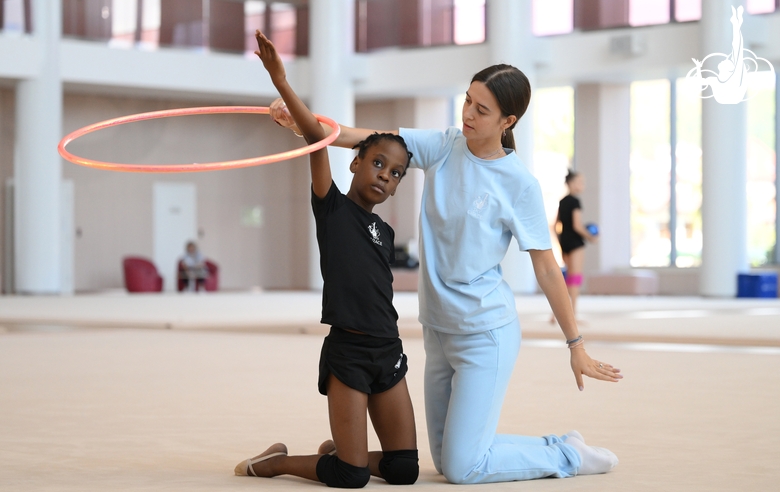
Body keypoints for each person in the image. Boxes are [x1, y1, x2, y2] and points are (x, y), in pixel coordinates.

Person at [269, 63, 623, 484]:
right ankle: (559, 444)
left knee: (462, 467)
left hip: (485, 331)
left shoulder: (519, 184)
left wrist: (575, 343)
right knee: (444, 458)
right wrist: (305, 127)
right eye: (468, 101)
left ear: (508, 122)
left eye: (482, 109)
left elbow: (546, 267)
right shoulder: (444, 145)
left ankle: (568, 455)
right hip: (438, 329)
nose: (468, 114)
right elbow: (365, 139)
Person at [234, 31, 419, 488]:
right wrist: (280, 80)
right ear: (355, 162)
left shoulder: (387, 231)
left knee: (404, 470)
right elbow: (316, 137)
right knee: (352, 477)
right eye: (378, 163)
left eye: (395, 174)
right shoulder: (331, 206)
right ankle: (274, 463)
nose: (385, 176)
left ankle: (340, 448)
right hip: (349, 352)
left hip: (388, 349)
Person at [554, 170, 597, 321]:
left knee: (568, 279)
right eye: (580, 182)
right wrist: (591, 237)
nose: (582, 185)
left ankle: (556, 314)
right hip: (575, 244)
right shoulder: (575, 201)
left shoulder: (562, 201)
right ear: (571, 183)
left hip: (565, 242)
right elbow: (577, 226)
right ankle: (573, 315)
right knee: (575, 278)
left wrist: (561, 242)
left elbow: (555, 226)